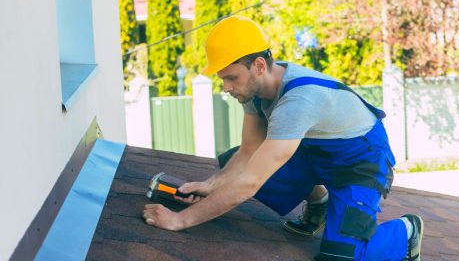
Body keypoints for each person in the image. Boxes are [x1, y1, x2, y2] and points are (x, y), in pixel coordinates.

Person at [142, 15, 424, 261]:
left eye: (231, 78)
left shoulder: (298, 101)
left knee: (341, 257)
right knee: (235, 161)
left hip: (360, 162)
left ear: (260, 66)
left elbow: (249, 183)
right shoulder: (253, 89)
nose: (227, 88)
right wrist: (210, 184)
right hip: (317, 153)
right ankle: (321, 202)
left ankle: (406, 231)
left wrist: (180, 221)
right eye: (223, 79)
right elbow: (249, 152)